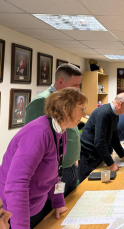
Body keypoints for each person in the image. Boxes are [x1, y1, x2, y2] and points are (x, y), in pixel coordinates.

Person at [0, 88, 87, 229]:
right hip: (18, 212)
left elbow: (54, 172)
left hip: (37, 205)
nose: (84, 114)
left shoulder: (60, 130)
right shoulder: (38, 133)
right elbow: (16, 184)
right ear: (65, 108)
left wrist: (58, 203)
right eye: (82, 109)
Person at [25, 64, 83, 198]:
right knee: (51, 215)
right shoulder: (42, 102)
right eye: (75, 85)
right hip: (52, 173)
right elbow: (32, 143)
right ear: (61, 82)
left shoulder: (67, 101)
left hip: (69, 166)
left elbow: (69, 132)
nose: (78, 89)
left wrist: (73, 157)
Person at [78, 93, 124, 182]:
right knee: (87, 184)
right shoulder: (104, 113)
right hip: (89, 156)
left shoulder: (115, 114)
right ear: (121, 104)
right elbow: (99, 142)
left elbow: (114, 137)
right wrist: (110, 163)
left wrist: (122, 154)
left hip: (98, 154)